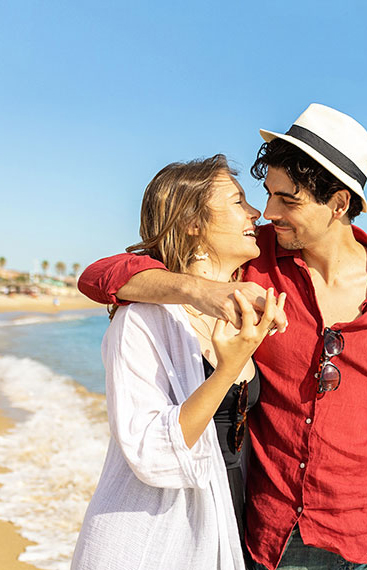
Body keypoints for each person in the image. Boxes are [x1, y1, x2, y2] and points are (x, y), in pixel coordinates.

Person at [78, 103, 367, 569]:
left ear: (338, 204)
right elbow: (101, 275)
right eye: (268, 193)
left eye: (288, 200)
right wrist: (202, 291)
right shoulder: (254, 260)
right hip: (279, 535)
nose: (268, 211)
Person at [71, 155, 280, 569]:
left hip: (232, 530)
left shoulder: (249, 302)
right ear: (192, 222)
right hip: (156, 540)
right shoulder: (143, 320)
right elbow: (152, 452)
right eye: (238, 201)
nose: (256, 212)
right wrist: (226, 370)